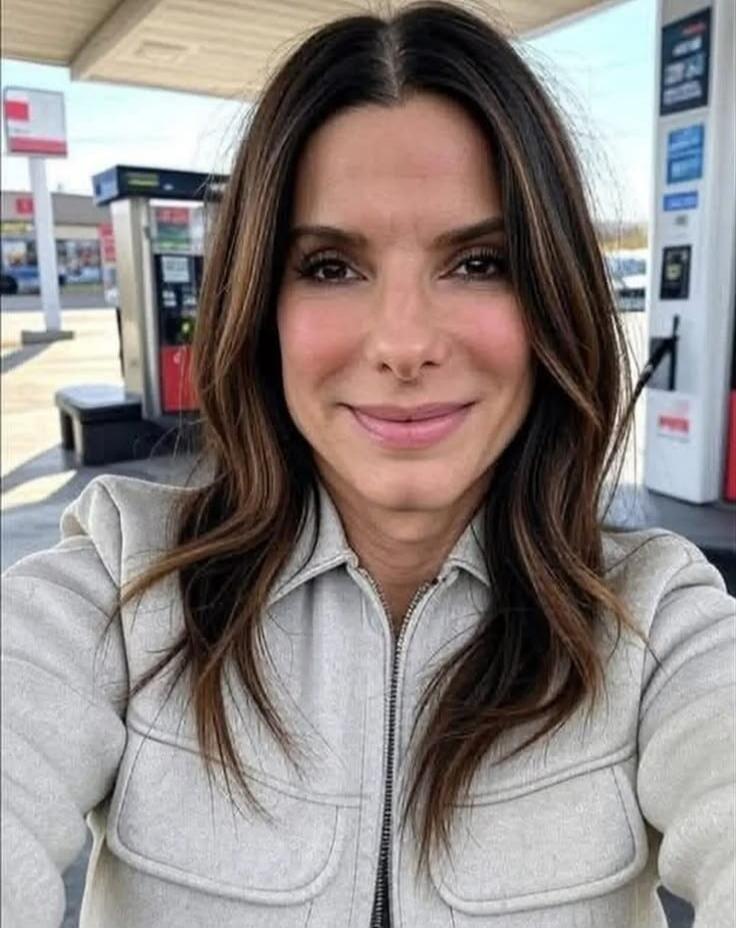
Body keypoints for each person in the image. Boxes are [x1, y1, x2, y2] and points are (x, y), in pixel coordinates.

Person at [2, 3, 734, 927]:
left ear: (554, 294)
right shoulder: (118, 588)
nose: (402, 344)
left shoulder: (656, 622)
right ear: (259, 304)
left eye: (477, 261)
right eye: (330, 267)